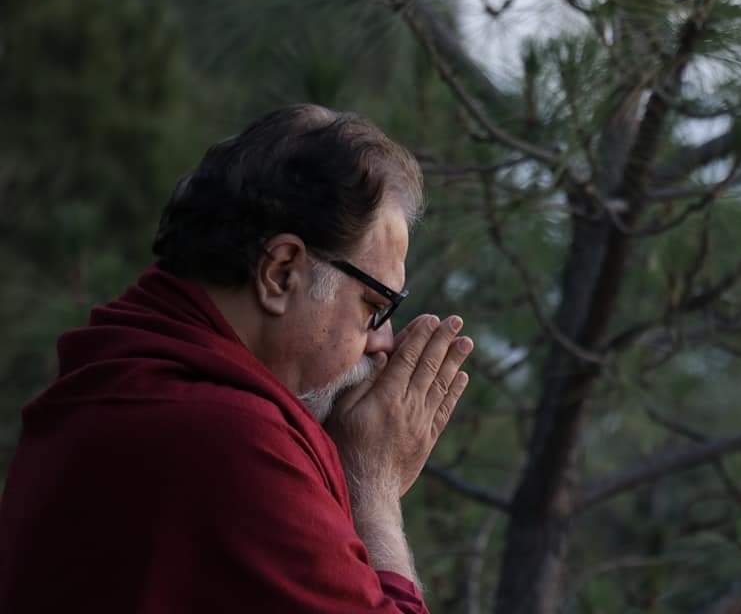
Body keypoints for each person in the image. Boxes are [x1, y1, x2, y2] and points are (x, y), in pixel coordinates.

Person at [0, 104, 474, 613]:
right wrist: (374, 493)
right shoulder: (233, 442)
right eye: (374, 306)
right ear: (281, 272)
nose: (382, 343)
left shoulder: (119, 369)